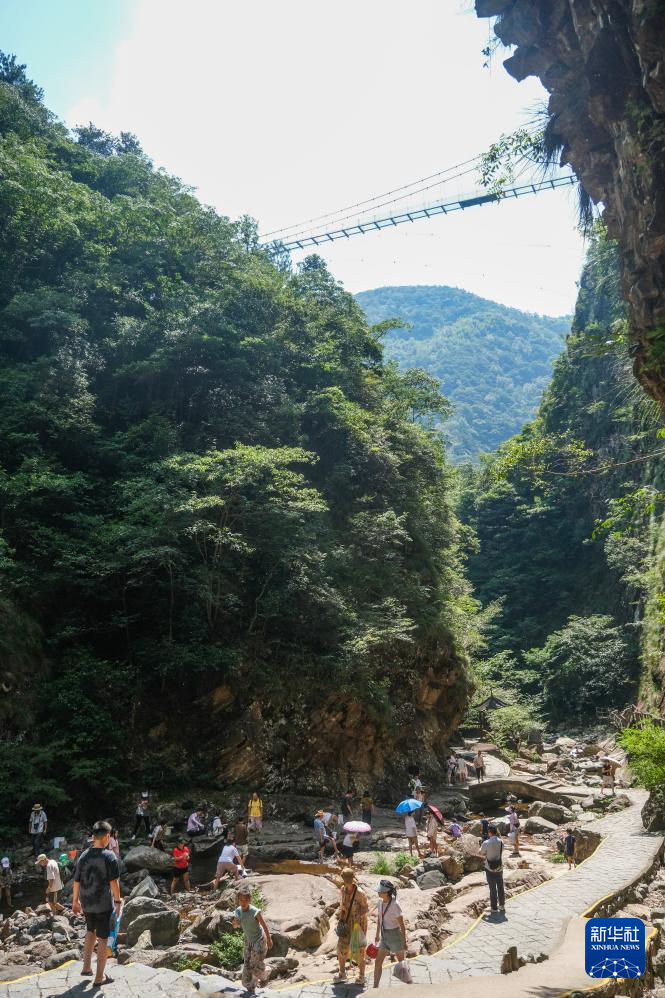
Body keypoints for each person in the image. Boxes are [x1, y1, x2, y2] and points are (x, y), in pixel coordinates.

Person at [72, 820, 122, 987]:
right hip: (103, 904)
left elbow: (76, 881)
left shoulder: (83, 855)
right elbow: (114, 882)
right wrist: (118, 901)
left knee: (90, 930)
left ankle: (86, 967)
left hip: (86, 902)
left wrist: (75, 901)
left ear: (93, 836)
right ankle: (100, 977)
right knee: (103, 938)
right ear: (107, 836)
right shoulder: (109, 856)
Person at [233, 883, 272, 994]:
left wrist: (269, 939)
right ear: (238, 901)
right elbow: (235, 925)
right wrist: (236, 923)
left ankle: (265, 972)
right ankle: (250, 986)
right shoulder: (238, 911)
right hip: (248, 940)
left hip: (259, 940)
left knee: (254, 963)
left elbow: (264, 925)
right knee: (247, 963)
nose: (243, 902)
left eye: (246, 900)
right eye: (241, 900)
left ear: (250, 900)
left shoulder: (255, 911)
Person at [335, 867, 368, 985]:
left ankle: (362, 976)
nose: (346, 881)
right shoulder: (343, 890)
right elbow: (342, 905)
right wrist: (342, 914)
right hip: (346, 924)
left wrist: (357, 918)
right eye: (345, 878)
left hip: (357, 925)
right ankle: (342, 973)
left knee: (359, 951)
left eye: (347, 878)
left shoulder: (360, 893)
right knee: (341, 948)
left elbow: (365, 909)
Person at [372, 880, 408, 989]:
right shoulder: (380, 902)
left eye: (380, 891)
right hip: (384, 935)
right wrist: (377, 934)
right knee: (378, 962)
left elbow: (402, 925)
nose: (378, 893)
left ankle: (409, 986)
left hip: (395, 935)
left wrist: (404, 942)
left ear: (386, 892)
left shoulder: (395, 905)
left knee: (401, 963)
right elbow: (380, 918)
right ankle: (375, 987)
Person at [480, 823, 505, 915]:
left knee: (492, 888)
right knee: (500, 886)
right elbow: (502, 851)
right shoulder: (501, 842)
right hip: (499, 867)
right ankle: (502, 905)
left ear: (489, 832)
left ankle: (494, 908)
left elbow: (481, 853)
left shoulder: (486, 842)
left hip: (489, 868)